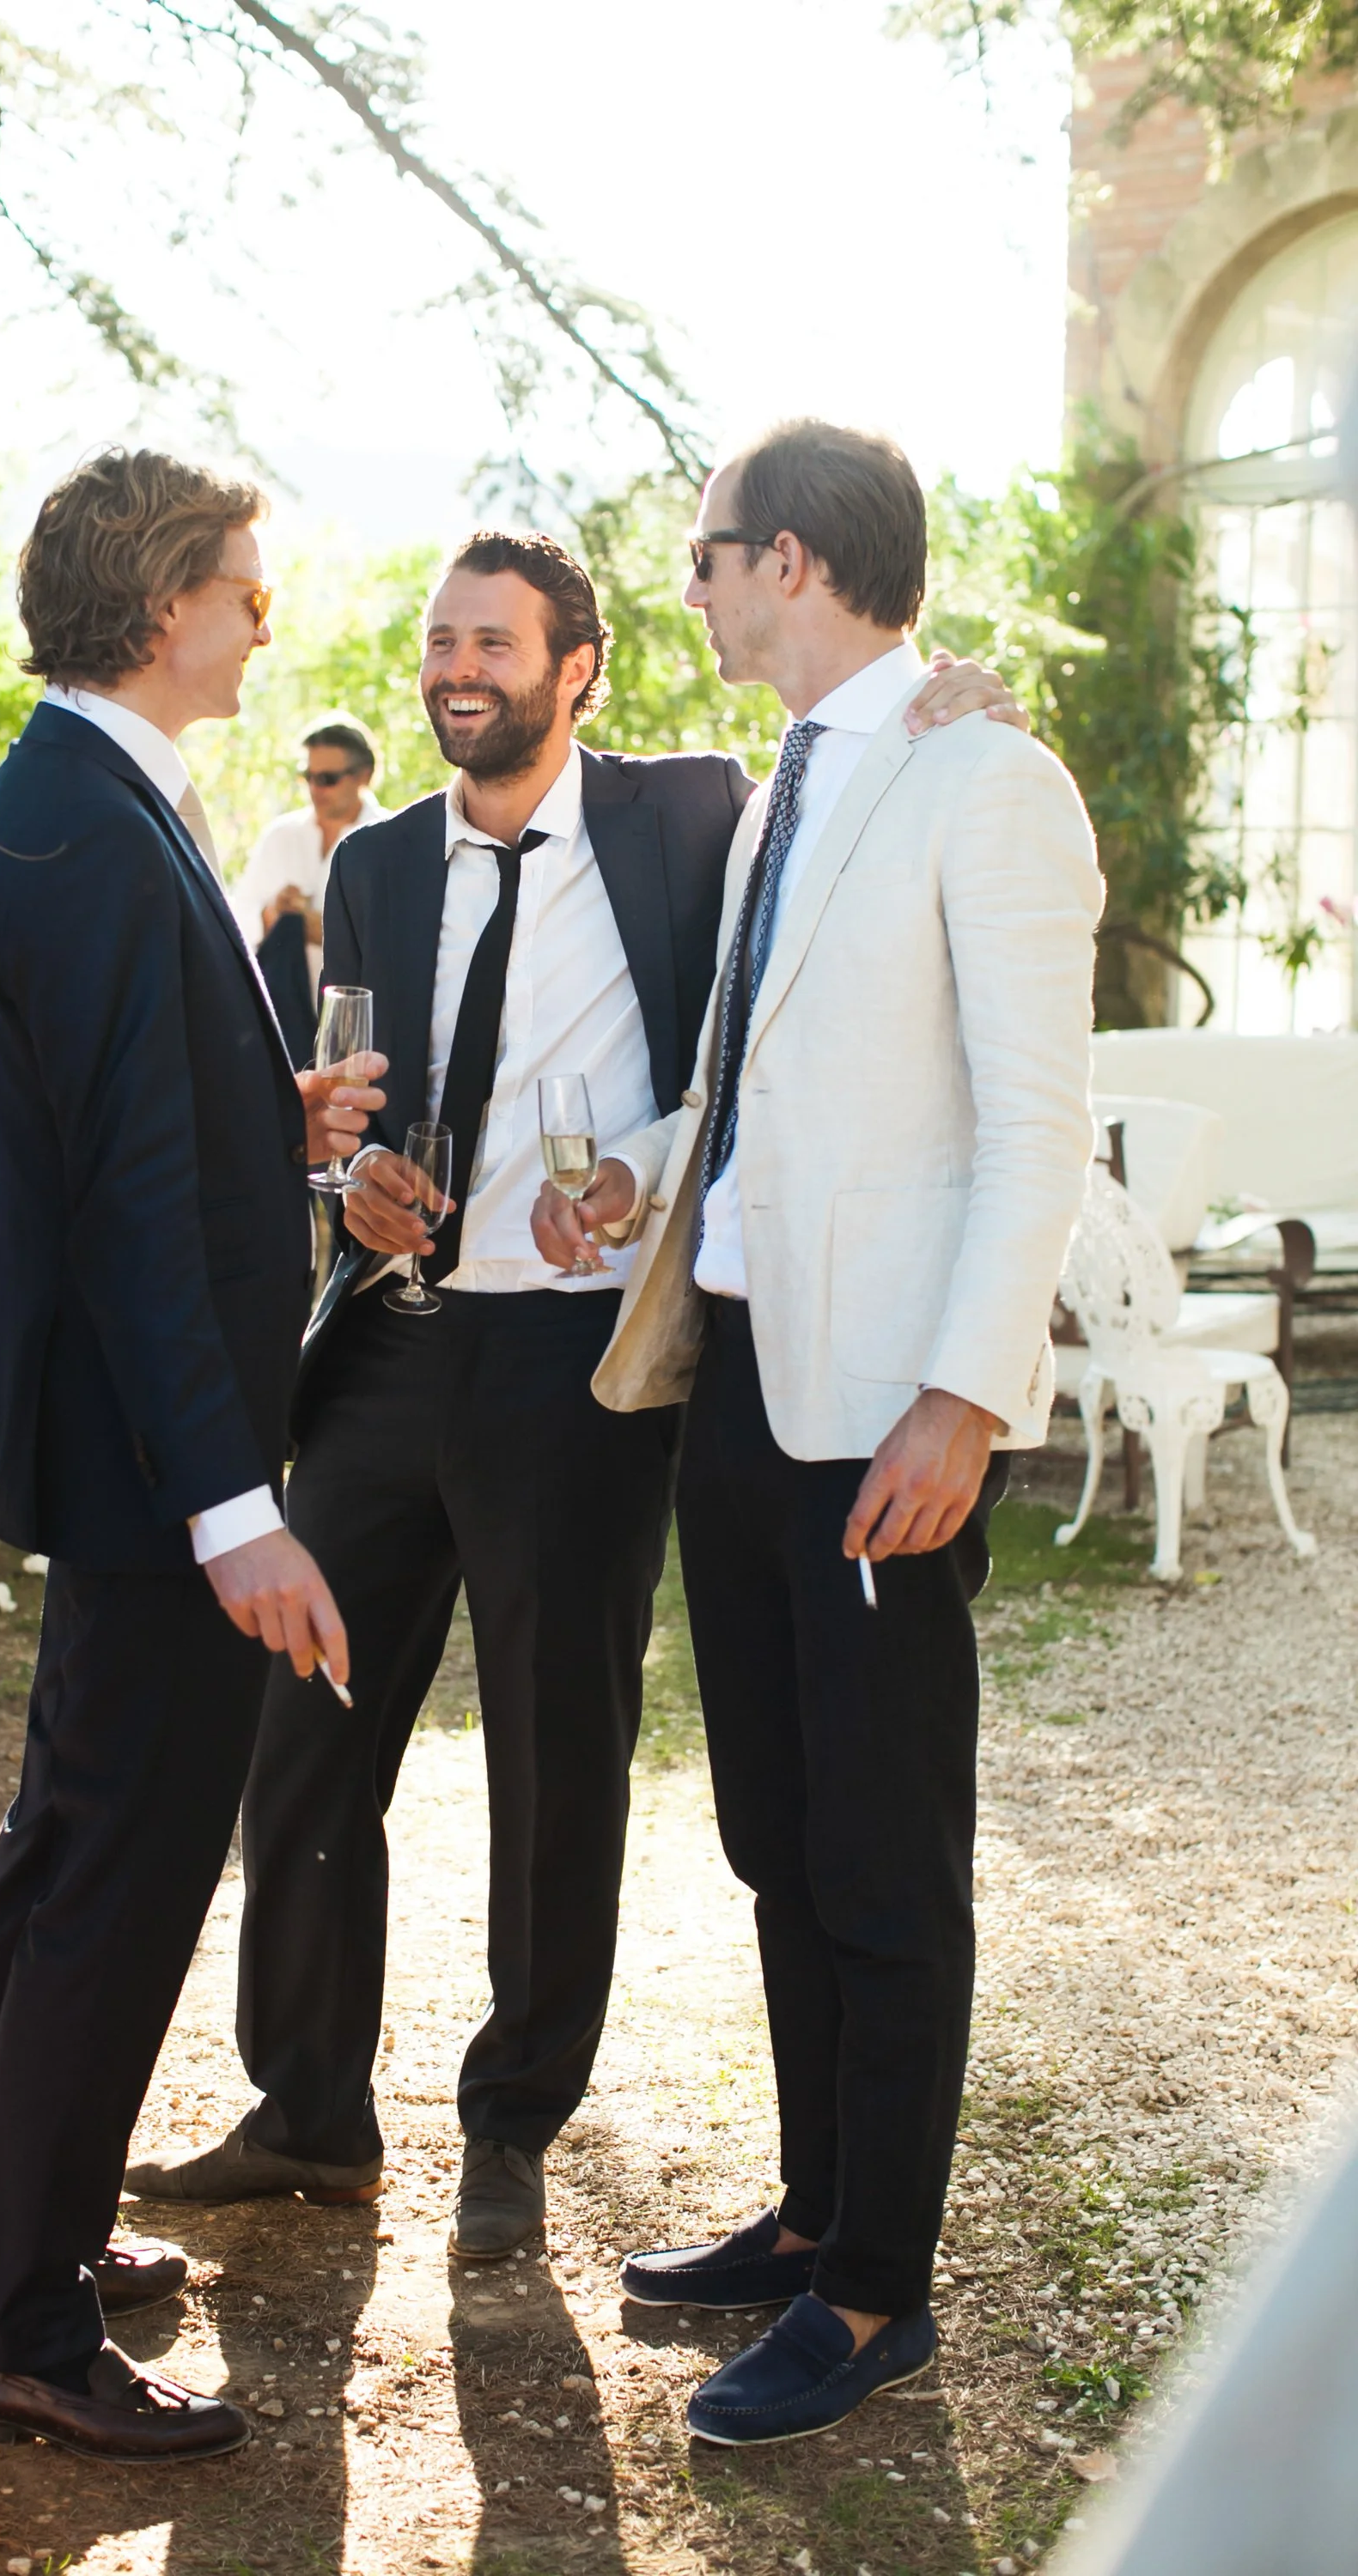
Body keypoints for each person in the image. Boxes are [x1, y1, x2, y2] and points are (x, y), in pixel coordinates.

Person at [125, 530, 1021, 2259]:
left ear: (576, 665)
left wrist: (969, 697)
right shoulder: (374, 862)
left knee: (558, 1759)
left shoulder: (693, 815)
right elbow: (355, 1103)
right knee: (300, 1734)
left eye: (492, 642)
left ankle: (513, 2121)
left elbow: (872, 773)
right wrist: (351, 1183)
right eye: (436, 640)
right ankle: (308, 2109)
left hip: (585, 1363)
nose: (456, 669)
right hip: (393, 1339)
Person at [535, 419, 1101, 2444]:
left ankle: (873, 2298)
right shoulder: (790, 780)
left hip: (882, 1412)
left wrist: (961, 1396)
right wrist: (639, 1179)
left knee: (879, 1860)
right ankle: (809, 2210)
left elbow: (1034, 1124)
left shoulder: (988, 778)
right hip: (740, 1395)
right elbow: (771, 1088)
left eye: (696, 559)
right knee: (775, 1835)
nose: (680, 591)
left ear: (783, 556)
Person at [0, 447, 381, 2463]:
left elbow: (125, 1115)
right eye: (237, 581)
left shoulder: (88, 793)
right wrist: (236, 1506)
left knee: (58, 1857)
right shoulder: (92, 827)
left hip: (111, 1428)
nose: (262, 612)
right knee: (110, 1875)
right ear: (148, 594)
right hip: (143, 1447)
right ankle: (18, 2325)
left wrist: (253, 1108)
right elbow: (113, 1201)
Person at [233, 719, 387, 1062]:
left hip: (356, 1029)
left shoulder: (389, 842)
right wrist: (272, 914)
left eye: (328, 779)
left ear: (364, 775)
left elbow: (400, 941)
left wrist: (327, 931)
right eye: (308, 777)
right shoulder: (280, 836)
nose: (315, 788)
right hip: (277, 1019)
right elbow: (237, 918)